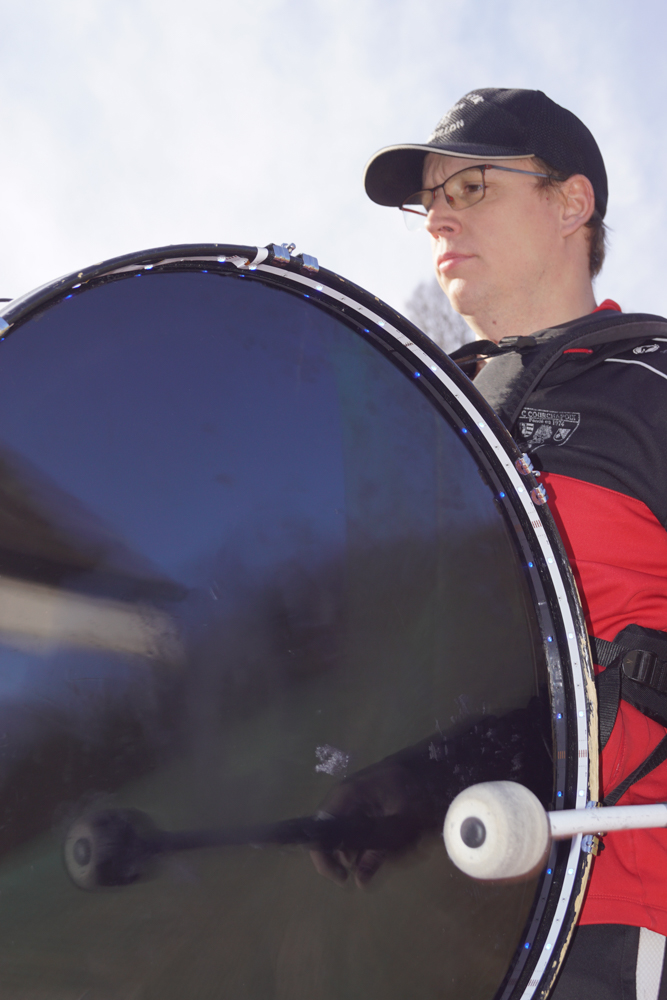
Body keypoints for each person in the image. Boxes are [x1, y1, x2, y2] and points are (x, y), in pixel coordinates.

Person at [314, 89, 667, 999]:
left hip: (611, 910)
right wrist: (399, 779)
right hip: (440, 930)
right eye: (428, 200)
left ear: (570, 202)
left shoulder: (653, 383)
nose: (438, 216)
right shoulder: (421, 417)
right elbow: (489, 675)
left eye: (470, 187)